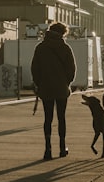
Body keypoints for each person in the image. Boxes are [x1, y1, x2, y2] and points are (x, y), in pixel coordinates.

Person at [30, 21, 76, 160]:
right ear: (62, 33)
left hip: (46, 88)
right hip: (61, 88)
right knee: (61, 118)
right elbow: (71, 70)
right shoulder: (65, 48)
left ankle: (48, 149)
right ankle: (62, 147)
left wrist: (39, 84)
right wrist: (66, 83)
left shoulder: (40, 48)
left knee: (47, 118)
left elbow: (35, 69)